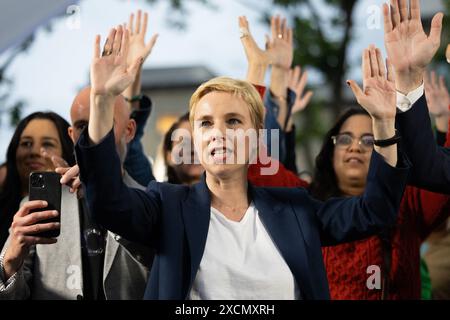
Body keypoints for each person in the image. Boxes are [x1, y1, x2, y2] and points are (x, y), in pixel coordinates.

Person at [72, 25, 409, 300]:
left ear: (257, 137)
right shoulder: (167, 204)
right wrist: (102, 101)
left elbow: (374, 211)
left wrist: (382, 123)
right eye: (205, 123)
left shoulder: (296, 209)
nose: (218, 132)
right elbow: (107, 203)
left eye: (233, 121)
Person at [0, 11, 156, 300]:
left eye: (105, 122)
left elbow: (166, 276)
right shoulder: (36, 206)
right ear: (71, 136)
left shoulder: (152, 199)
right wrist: (9, 262)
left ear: (130, 130)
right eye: (83, 126)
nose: (94, 134)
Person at [0, 112, 75, 250]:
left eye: (47, 144)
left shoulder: (82, 209)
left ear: (66, 151)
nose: (34, 151)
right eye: (26, 143)